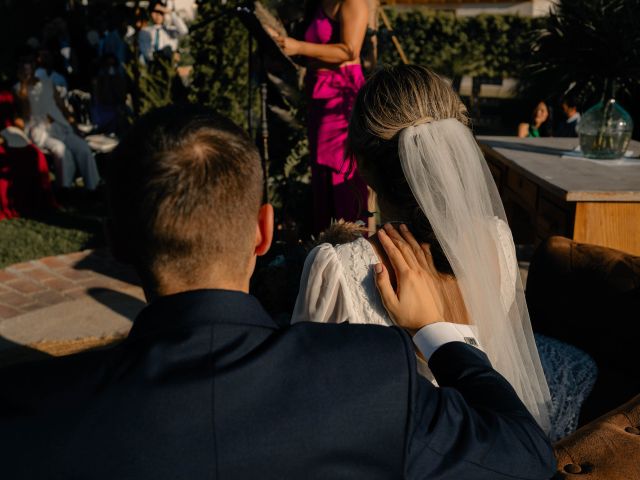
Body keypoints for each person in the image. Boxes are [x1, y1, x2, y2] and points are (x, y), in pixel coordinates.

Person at [0, 104, 555, 479]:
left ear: (115, 241)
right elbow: (528, 458)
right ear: (264, 231)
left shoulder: (34, 411)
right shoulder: (373, 379)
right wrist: (440, 335)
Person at [293, 65, 597, 441]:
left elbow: (305, 407)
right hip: (492, 436)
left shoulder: (337, 267)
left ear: (364, 166)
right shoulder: (498, 239)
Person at [272, 0, 370, 233]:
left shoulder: (352, 2)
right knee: (322, 177)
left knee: (341, 174)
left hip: (341, 94)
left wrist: (298, 47)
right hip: (319, 92)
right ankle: (326, 248)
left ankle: (351, 246)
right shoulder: (317, 3)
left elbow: (349, 50)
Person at [15, 58, 100, 190]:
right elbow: (24, 113)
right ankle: (64, 189)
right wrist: (24, 84)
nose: (28, 73)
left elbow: (62, 107)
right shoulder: (18, 89)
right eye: (24, 70)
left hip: (61, 126)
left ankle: (93, 187)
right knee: (61, 150)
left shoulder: (48, 83)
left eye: (29, 69)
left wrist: (74, 125)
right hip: (40, 131)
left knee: (83, 148)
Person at [0, 91, 57, 219]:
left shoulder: (6, 95)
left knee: (35, 154)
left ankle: (38, 199)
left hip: (9, 135)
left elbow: (17, 120)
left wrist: (19, 134)